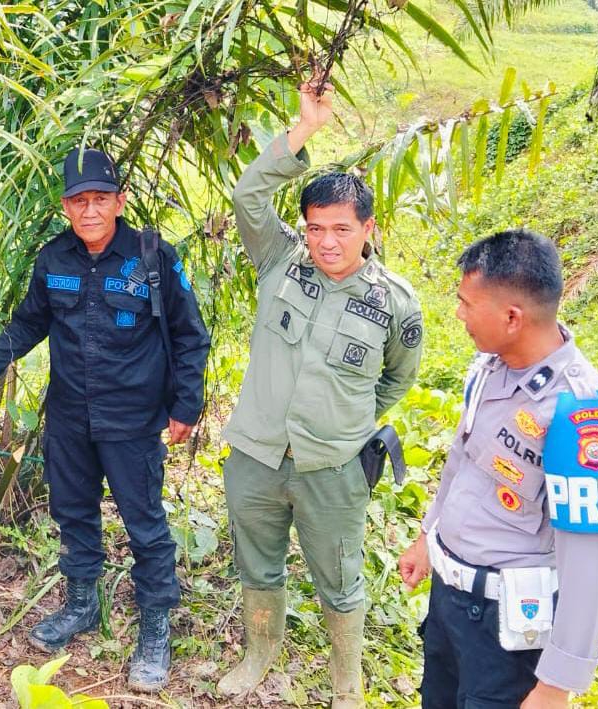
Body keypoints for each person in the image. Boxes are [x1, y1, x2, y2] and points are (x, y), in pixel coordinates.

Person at [0, 147, 211, 691]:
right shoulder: (52, 259)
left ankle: (155, 627)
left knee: (145, 525)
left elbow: (189, 334)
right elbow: (24, 327)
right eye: (79, 201)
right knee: (74, 514)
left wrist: (186, 405)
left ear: (119, 202)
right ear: (65, 207)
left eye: (100, 200)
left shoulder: (153, 256)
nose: (89, 211)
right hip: (68, 419)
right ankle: (82, 603)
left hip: (131, 420)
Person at [217, 80, 425, 706]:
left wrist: (342, 422)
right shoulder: (282, 261)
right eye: (315, 228)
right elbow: (247, 195)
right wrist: (302, 131)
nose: (326, 242)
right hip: (255, 456)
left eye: (340, 229)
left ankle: (346, 687)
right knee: (258, 566)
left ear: (369, 228)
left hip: (332, 469)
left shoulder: (395, 303)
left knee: (340, 582)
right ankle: (258, 656)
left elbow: (398, 378)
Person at [398, 229, 598, 708]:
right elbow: (463, 458)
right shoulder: (489, 366)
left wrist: (554, 685)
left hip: (508, 629)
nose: (458, 314)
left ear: (512, 317)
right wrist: (427, 534)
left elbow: (590, 559)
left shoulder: (582, 413)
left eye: (466, 303)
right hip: (449, 603)